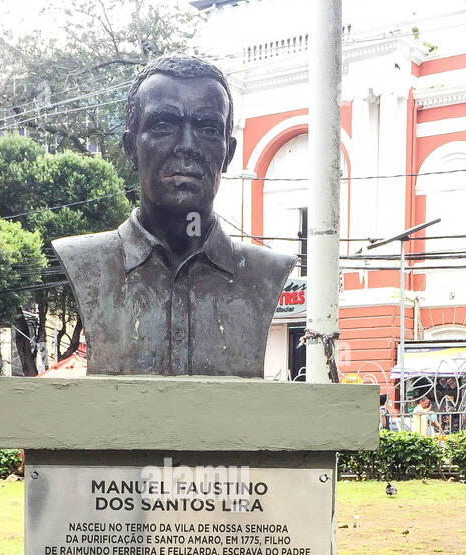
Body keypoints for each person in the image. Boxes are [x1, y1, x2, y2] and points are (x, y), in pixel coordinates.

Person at [52, 55, 295, 376]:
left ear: (228, 153)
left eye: (208, 128)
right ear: (130, 149)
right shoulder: (85, 262)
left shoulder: (265, 274)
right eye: (163, 125)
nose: (187, 146)